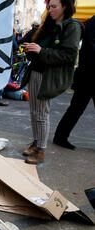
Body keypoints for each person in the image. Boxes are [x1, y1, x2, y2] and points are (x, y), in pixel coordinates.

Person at [21, 0, 82, 164]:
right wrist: (32, 48)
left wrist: (41, 50)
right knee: (35, 113)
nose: (50, 9)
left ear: (65, 7)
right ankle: (36, 143)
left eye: (54, 6)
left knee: (41, 114)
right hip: (36, 72)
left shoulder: (72, 26)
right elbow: (42, 49)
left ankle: (41, 150)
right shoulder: (50, 24)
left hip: (47, 76)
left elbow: (68, 55)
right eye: (49, 6)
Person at [53, 15, 95, 150]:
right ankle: (60, 137)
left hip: (86, 75)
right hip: (88, 75)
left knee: (75, 109)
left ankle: (60, 136)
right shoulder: (93, 22)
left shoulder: (92, 21)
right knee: (76, 108)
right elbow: (90, 45)